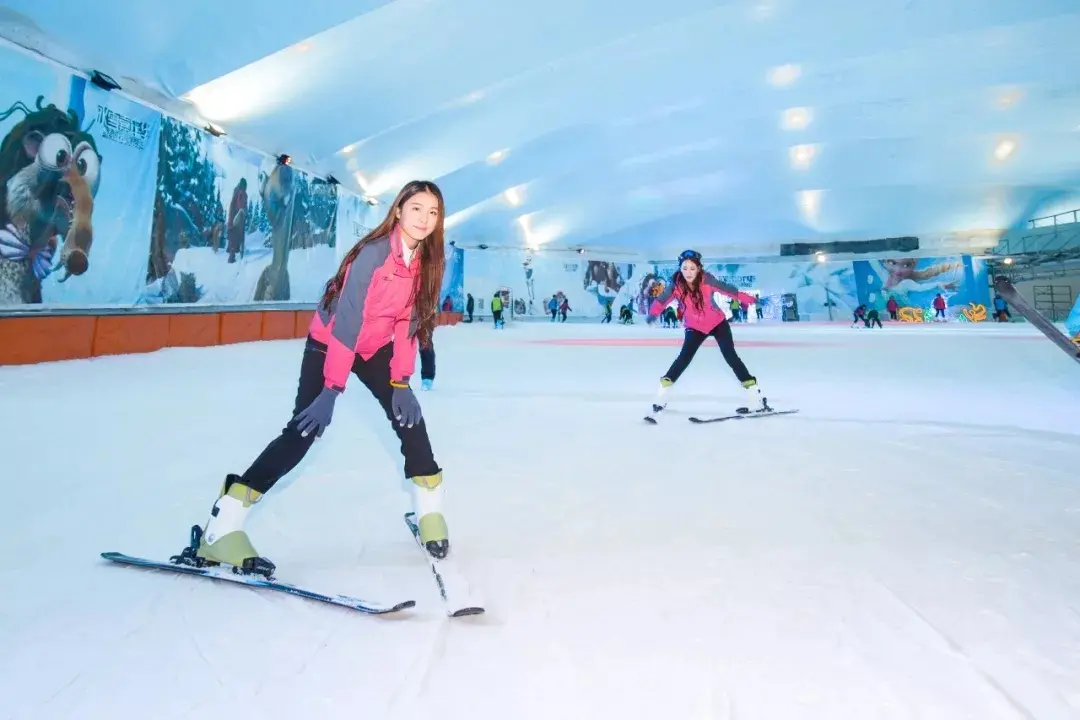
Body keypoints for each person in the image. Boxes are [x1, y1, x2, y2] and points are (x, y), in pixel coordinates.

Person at [175, 181, 449, 578]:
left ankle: (429, 513)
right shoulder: (372, 255)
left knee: (411, 422)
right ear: (399, 211)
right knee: (303, 431)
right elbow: (347, 322)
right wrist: (332, 390)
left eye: (434, 212)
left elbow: (407, 324)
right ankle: (222, 526)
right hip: (332, 341)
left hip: (373, 348)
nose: (425, 219)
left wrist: (401, 382)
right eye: (417, 209)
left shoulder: (424, 262)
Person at [647, 250, 767, 414]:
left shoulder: (707, 280)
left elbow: (729, 290)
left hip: (717, 323)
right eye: (685, 268)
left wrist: (751, 299)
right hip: (694, 327)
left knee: (730, 356)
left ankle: (755, 398)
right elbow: (661, 300)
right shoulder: (676, 286)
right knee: (683, 358)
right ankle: (661, 397)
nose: (688, 272)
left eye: (692, 268)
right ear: (680, 268)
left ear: (698, 268)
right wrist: (653, 314)